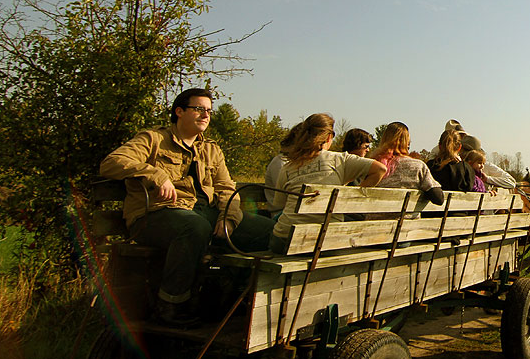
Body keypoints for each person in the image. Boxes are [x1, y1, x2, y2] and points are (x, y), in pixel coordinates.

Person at [100, 88, 275, 327]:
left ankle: (232, 298)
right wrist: (155, 173)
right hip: (155, 216)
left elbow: (226, 188)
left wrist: (228, 219)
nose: (206, 115)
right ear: (179, 111)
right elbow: (111, 163)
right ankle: (171, 305)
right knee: (194, 227)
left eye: (209, 111)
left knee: (271, 232)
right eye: (199, 109)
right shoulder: (153, 139)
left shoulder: (211, 149)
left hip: (205, 215)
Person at [269, 114, 386, 254]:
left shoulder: (288, 167)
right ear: (329, 137)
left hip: (285, 240)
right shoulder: (339, 159)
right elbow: (380, 169)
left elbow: (280, 204)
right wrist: (350, 197)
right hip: (327, 241)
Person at [370, 122, 445, 205]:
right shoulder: (418, 166)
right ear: (407, 143)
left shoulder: (372, 164)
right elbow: (439, 198)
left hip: (373, 217)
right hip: (406, 217)